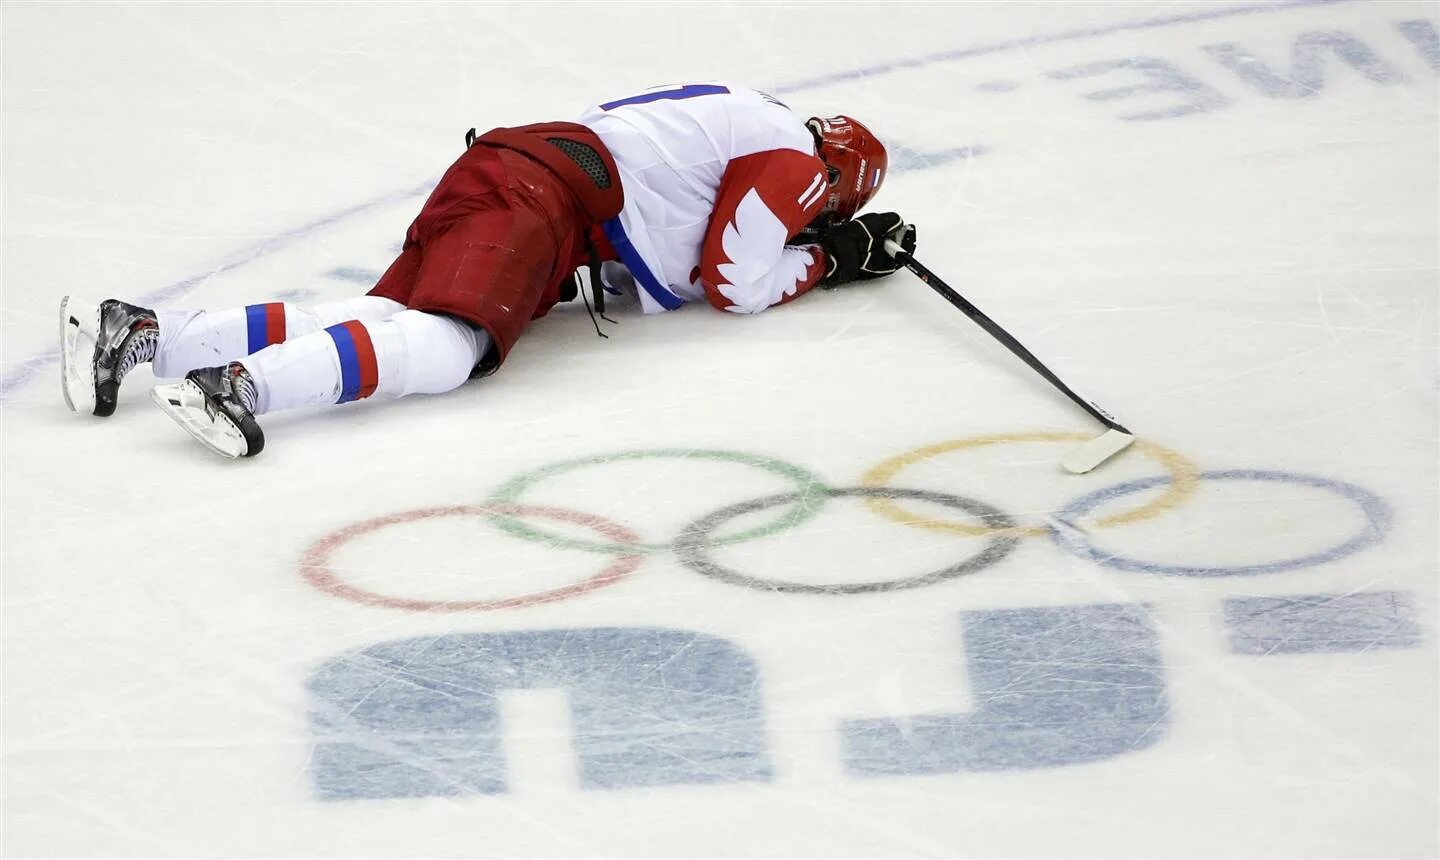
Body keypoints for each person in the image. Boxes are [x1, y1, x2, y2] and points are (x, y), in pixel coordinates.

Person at [59, 82, 917, 458]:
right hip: (546, 196)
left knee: (377, 314)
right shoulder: (800, 159)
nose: (814, 214)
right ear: (839, 181)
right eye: (827, 208)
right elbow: (733, 276)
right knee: (452, 345)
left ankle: (149, 334)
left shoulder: (747, 117)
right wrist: (831, 257)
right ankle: (240, 388)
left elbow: (673, 250)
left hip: (515, 166)